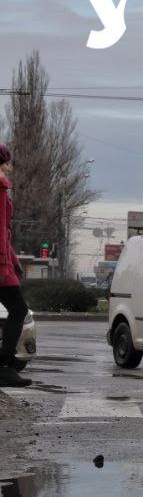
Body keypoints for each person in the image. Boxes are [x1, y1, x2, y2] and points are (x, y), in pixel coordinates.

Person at [0, 145, 31, 389]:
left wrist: (13, 260)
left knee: (17, 310)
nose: (11, 168)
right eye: (9, 163)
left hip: (4, 261)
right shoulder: (1, 188)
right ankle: (4, 367)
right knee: (18, 310)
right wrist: (4, 265)